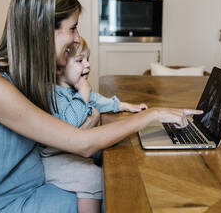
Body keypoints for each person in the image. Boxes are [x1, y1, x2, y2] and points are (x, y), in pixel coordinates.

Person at [0, 0, 203, 213]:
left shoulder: (26, 78)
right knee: (117, 195)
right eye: (72, 28)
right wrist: (153, 114)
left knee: (113, 177)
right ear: (41, 27)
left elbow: (72, 128)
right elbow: (81, 143)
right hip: (0, 206)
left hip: (34, 186)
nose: (76, 39)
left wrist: (99, 120)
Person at [40, 36, 148, 213]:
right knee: (92, 177)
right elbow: (70, 123)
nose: (88, 65)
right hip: (53, 159)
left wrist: (124, 105)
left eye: (88, 59)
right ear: (58, 69)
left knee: (111, 158)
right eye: (80, 61)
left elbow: (97, 100)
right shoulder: (53, 94)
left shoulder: (72, 88)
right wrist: (83, 92)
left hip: (71, 151)